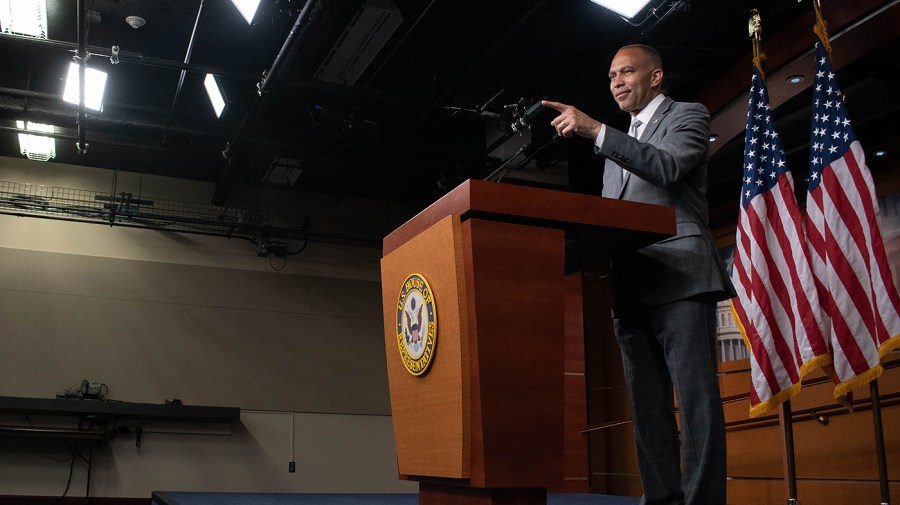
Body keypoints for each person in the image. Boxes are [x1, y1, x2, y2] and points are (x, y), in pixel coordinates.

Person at [543, 44, 736, 505]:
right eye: (611, 76)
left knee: (696, 404)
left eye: (626, 72)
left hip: (681, 279)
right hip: (630, 285)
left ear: (656, 77)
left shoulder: (688, 115)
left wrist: (596, 130)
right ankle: (662, 499)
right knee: (647, 409)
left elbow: (667, 168)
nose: (616, 83)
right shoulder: (615, 148)